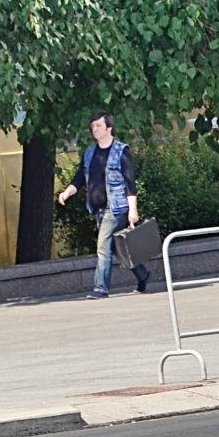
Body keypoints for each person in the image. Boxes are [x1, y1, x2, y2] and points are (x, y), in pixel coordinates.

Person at [56, 113, 141, 298]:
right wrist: (67, 192)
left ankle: (100, 288)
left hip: (117, 208)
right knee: (115, 248)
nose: (94, 129)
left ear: (109, 128)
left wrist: (133, 210)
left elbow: (130, 183)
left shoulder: (121, 151)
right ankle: (143, 275)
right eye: (93, 126)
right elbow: (80, 177)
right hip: (99, 209)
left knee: (102, 245)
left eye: (98, 126)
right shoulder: (90, 153)